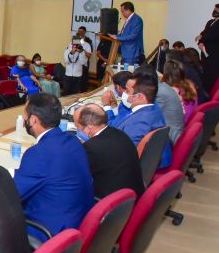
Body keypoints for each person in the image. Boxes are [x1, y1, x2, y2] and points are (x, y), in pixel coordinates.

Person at [14, 93, 94, 241]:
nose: (24, 120)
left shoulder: (39, 153)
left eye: (25, 116)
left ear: (33, 119)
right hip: (78, 221)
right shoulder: (73, 140)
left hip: (51, 233)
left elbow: (12, 194)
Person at [73, 104, 144, 199]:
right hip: (133, 194)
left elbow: (77, 177)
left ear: (89, 127)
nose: (78, 130)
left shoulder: (91, 147)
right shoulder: (120, 133)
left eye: (78, 127)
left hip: (114, 202)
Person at [111, 73, 172, 168]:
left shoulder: (140, 122)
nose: (124, 94)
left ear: (139, 97)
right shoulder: (152, 108)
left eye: (127, 91)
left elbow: (123, 155)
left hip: (139, 170)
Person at [196, 3, 219, 93]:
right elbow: (203, 33)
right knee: (205, 71)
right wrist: (200, 42)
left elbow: (218, 36)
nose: (215, 11)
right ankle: (204, 91)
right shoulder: (210, 22)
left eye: (218, 10)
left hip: (215, 53)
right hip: (204, 51)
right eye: (214, 9)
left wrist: (202, 38)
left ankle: (213, 92)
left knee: (214, 73)